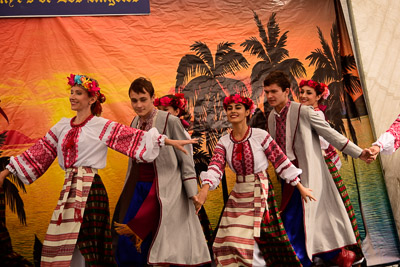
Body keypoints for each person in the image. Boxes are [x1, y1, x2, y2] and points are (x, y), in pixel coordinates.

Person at [0, 74, 195, 267]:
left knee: (89, 241)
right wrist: (5, 172)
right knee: (64, 239)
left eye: (78, 93)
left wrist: (166, 140)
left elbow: (133, 137)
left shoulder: (100, 125)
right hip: (69, 190)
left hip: (91, 189)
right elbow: (39, 151)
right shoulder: (61, 126)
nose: (73, 97)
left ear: (92, 99)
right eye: (72, 92)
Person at [262, 71, 372, 267]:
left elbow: (330, 134)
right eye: (267, 91)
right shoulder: (271, 116)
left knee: (300, 217)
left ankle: (304, 260)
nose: (269, 96)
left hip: (309, 174)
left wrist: (359, 153)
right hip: (289, 177)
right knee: (300, 217)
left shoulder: (303, 111)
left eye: (274, 91)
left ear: (286, 91)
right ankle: (333, 256)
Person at [193, 94, 316, 267]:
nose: (233, 111)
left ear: (247, 112)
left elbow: (280, 160)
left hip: (261, 190)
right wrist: (204, 190)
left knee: (253, 238)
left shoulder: (260, 136)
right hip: (239, 192)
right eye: (230, 108)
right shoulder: (224, 142)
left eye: (238, 108)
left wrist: (300, 186)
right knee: (228, 240)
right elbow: (215, 167)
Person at [112, 77, 211, 266]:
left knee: (162, 240)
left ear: (152, 98)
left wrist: (193, 194)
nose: (139, 105)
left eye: (143, 99)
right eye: (134, 100)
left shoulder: (170, 120)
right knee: (130, 239)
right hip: (139, 187)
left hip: (166, 190)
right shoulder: (134, 122)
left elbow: (186, 159)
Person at [299, 79, 364, 264]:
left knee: (331, 207)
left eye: (308, 93)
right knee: (323, 209)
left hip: (322, 165)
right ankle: (329, 251)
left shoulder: (315, 114)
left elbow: (326, 141)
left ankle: (344, 250)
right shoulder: (305, 113)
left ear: (319, 96)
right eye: (301, 91)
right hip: (313, 164)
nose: (303, 95)